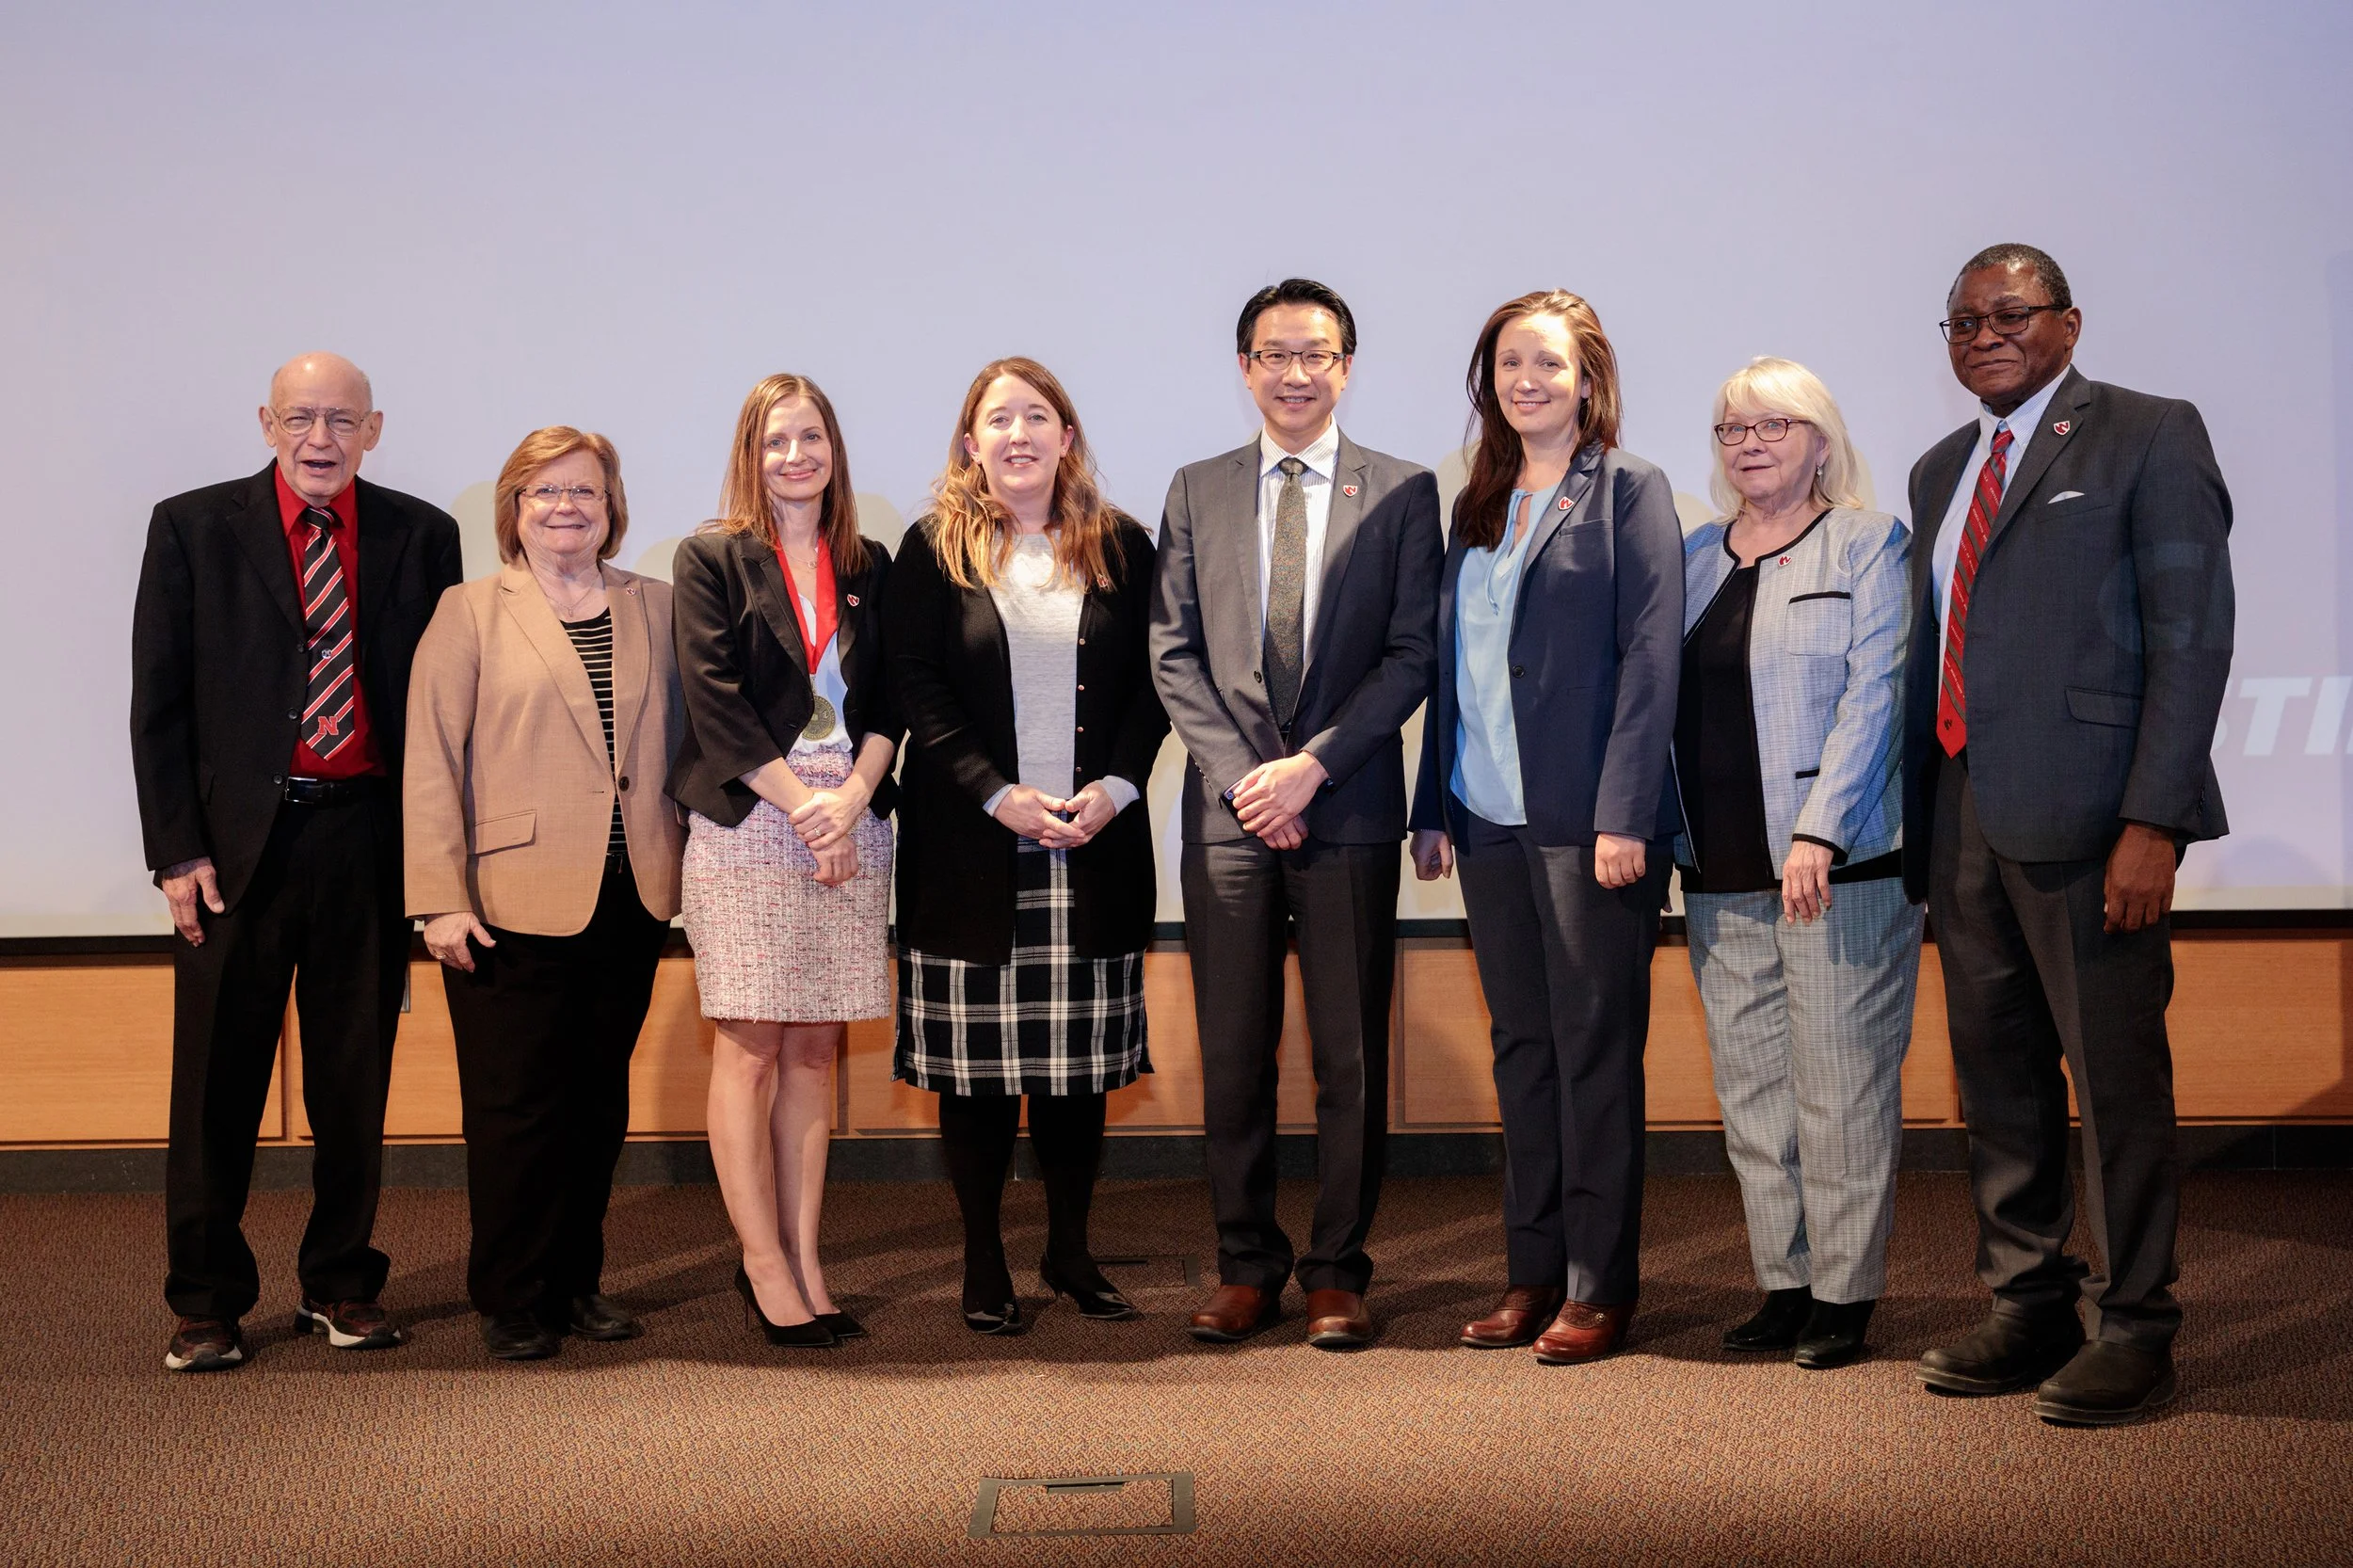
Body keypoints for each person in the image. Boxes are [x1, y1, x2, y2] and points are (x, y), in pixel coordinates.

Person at [1905, 244, 2233, 1426]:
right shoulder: (1941, 467)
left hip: (2097, 823)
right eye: (1960, 321)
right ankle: (2027, 1298)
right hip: (1965, 818)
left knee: (2115, 1080)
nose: (1983, 333)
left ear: (2068, 322)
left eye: (2008, 313)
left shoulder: (2149, 433)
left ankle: (2137, 1318)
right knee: (1997, 1078)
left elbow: (2190, 640)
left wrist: (2156, 819)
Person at [131, 353, 461, 1373]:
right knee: (215, 1086)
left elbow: (440, 707)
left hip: (365, 838)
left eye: (342, 420)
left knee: (353, 1081)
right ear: (266, 422)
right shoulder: (192, 525)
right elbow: (160, 703)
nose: (321, 438)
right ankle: (207, 1301)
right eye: (301, 418)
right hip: (233, 853)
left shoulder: (421, 534)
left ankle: (342, 1281)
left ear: (375, 429)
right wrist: (176, 849)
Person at [1152, 280, 1441, 1350]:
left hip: (1347, 804)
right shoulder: (1196, 488)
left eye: (1315, 353)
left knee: (1350, 1056)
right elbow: (1171, 652)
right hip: (1230, 817)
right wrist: (1246, 779)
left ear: (1347, 365)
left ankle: (1335, 1269)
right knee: (1233, 1051)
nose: (1294, 372)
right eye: (1273, 354)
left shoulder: (1404, 491)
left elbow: (1412, 653)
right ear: (1243, 366)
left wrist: (1311, 768)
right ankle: (1244, 1263)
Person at [1407, 290, 1681, 1366]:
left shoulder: (1630, 491)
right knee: (1520, 1048)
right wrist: (1433, 804)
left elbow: (1652, 659)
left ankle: (1598, 1284)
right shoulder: (1473, 500)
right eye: (1509, 363)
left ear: (1587, 380)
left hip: (1587, 825)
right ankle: (1531, 1271)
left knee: (1593, 1054)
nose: (1528, 380)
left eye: (1549, 364)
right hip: (1485, 817)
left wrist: (1624, 813)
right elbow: (1453, 669)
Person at [886, 358, 1168, 1335]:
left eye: (1035, 416)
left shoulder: (1124, 546)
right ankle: (982, 1257)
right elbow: (916, 686)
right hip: (971, 855)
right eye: (996, 418)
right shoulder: (931, 550)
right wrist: (994, 794)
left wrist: (1119, 788)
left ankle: (1070, 1250)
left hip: (1090, 846)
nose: (1017, 434)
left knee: (1075, 1077)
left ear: (1066, 438)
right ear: (971, 443)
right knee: (974, 1079)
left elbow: (1154, 686)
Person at [405, 427, 685, 1362]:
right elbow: (431, 763)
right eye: (545, 492)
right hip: (506, 903)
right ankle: (511, 1294)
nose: (567, 508)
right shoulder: (470, 609)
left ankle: (574, 1282)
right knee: (514, 1110)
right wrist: (437, 897)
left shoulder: (659, 605)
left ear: (613, 508)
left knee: (595, 1106)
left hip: (631, 893)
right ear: (513, 510)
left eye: (585, 492)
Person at [1673, 358, 1917, 1370]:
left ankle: (1845, 1294)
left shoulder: (1869, 543)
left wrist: (1820, 828)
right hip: (1718, 866)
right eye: (1732, 429)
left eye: (1774, 426)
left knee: (1839, 1087)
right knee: (1753, 1091)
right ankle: (1784, 1281)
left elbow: (1879, 694)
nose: (1750, 444)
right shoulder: (1691, 554)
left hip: (1836, 865)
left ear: (1820, 439)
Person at [669, 375, 899, 1351]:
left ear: (834, 450)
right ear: (749, 454)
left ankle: (807, 1259)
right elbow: (714, 702)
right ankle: (761, 1264)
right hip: (753, 816)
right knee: (752, 1045)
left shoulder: (870, 561)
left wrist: (851, 798)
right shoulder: (711, 558)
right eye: (775, 441)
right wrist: (810, 807)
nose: (795, 456)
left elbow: (896, 699)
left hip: (853, 812)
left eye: (811, 438)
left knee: (815, 1048)